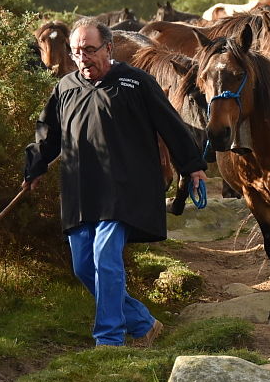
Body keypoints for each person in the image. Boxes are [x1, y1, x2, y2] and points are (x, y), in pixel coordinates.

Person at [23, 17, 209, 347]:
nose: (83, 58)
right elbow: (47, 135)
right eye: (77, 51)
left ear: (108, 48)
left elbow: (170, 124)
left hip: (125, 187)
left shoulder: (135, 83)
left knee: (106, 260)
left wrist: (192, 166)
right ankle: (142, 322)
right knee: (84, 267)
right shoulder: (65, 87)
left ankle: (108, 340)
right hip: (80, 190)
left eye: (90, 50)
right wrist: (34, 167)